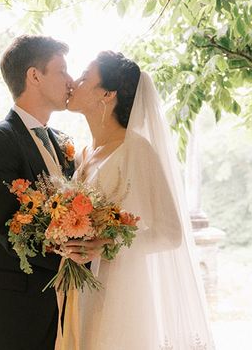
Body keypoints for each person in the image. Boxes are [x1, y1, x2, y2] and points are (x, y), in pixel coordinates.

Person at [63, 51, 215, 350]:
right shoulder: (82, 154)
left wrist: (107, 243)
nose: (74, 83)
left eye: (84, 78)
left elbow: (170, 234)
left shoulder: (137, 150)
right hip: (77, 290)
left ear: (107, 94)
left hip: (119, 292)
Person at [0, 35, 102, 350]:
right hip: (13, 317)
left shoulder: (64, 143)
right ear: (34, 76)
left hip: (66, 314)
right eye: (62, 70)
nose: (70, 80)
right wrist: (75, 253)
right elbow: (11, 229)